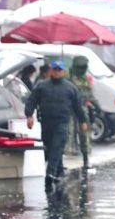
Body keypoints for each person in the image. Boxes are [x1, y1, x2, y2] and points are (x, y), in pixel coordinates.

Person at [24, 61, 88, 191]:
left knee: (57, 146)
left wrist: (83, 121)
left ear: (63, 71)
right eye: (55, 69)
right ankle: (59, 171)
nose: (57, 72)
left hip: (62, 122)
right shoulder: (42, 86)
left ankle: (50, 174)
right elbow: (31, 100)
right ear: (51, 71)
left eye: (60, 70)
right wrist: (29, 115)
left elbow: (78, 107)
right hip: (46, 122)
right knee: (50, 146)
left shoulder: (70, 88)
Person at [68, 56, 100, 169]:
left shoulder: (85, 79)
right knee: (68, 134)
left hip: (83, 109)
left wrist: (97, 106)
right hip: (70, 110)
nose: (82, 70)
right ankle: (60, 163)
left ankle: (85, 159)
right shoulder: (69, 78)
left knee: (84, 135)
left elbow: (90, 95)